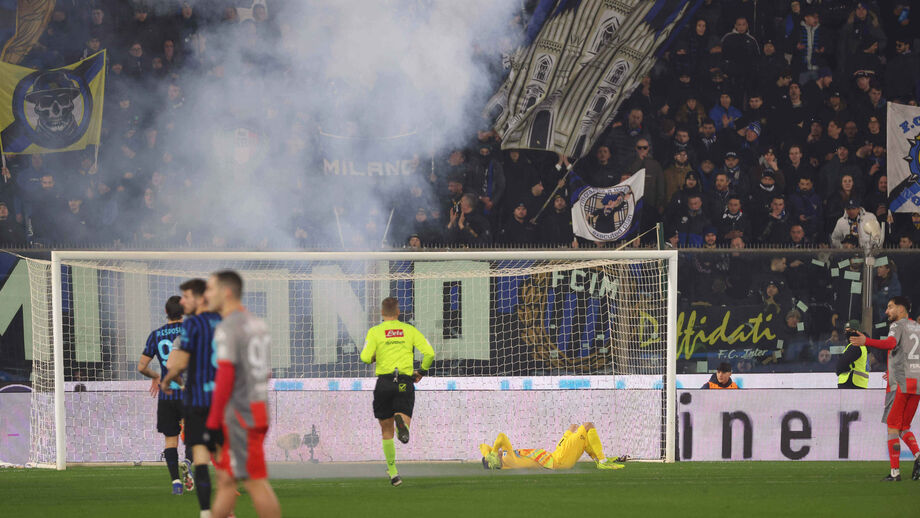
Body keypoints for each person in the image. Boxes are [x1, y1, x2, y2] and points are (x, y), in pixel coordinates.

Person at [202, 271, 281, 518]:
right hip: (257, 408)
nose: (207, 294)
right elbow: (264, 372)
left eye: (211, 289)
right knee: (226, 479)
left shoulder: (228, 327)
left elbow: (225, 375)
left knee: (254, 481)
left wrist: (213, 421)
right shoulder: (257, 324)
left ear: (226, 292)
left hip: (240, 415)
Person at [161, 278, 222, 517]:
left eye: (186, 296)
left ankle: (206, 512)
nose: (183, 301)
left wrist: (167, 380)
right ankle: (228, 499)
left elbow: (174, 362)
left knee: (201, 455)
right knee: (221, 453)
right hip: (222, 399)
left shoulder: (192, 327)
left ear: (198, 298)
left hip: (199, 400)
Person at [360, 297, 435, 486]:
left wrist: (377, 355)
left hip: (384, 383)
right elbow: (430, 353)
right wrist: (422, 372)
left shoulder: (375, 331)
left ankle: (393, 472)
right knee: (402, 421)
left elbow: (365, 357)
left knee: (386, 430)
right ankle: (403, 427)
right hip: (404, 381)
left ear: (382, 313)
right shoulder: (409, 330)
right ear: (398, 312)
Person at [851, 296, 920, 481]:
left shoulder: (897, 326)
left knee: (892, 427)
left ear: (901, 308)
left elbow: (890, 344)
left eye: (890, 307)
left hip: (900, 384)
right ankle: (918, 457)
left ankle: (895, 472)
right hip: (916, 383)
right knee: (904, 426)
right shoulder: (917, 327)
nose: (887, 311)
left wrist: (867, 341)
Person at [138, 295, 194, 495]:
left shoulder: (156, 335)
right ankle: (188, 462)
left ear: (165, 312)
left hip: (167, 394)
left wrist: (156, 376)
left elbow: (141, 367)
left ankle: (176, 483)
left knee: (171, 440)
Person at [479, 422, 624, 470]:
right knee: (588, 426)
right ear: (494, 460)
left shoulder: (504, 458)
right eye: (494, 455)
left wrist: (488, 454)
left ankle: (599, 460)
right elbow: (501, 437)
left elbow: (482, 446)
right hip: (558, 460)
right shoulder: (507, 458)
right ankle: (603, 462)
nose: (496, 451)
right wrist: (492, 451)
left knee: (578, 432)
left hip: (555, 455)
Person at [836, 320, 868, 389]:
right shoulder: (861, 345)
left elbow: (842, 364)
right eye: (845, 331)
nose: (846, 333)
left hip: (851, 382)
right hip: (858, 383)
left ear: (857, 331)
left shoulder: (856, 345)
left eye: (850, 331)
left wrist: (839, 369)